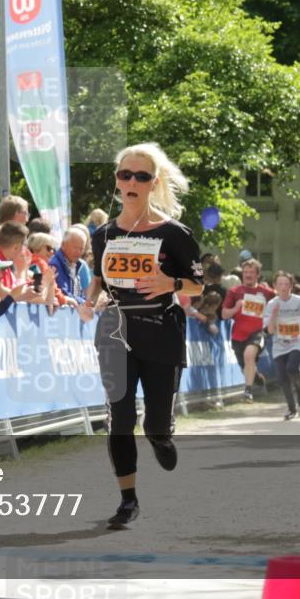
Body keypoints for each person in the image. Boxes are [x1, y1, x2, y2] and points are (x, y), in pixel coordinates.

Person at [77, 142, 204, 530]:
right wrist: (89, 302)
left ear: (154, 183)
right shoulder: (103, 234)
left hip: (160, 330)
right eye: (124, 174)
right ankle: (127, 499)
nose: (130, 182)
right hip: (115, 330)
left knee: (154, 423)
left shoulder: (175, 233)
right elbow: (97, 281)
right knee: (119, 415)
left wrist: (172, 281)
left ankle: (161, 436)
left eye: (140, 176)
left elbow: (198, 286)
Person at [221, 258, 275, 402]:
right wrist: (236, 307)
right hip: (238, 335)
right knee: (246, 364)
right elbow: (224, 314)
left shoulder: (267, 293)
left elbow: (279, 306)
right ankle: (257, 378)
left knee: (249, 355)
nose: (248, 275)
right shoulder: (234, 291)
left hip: (258, 331)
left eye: (251, 272)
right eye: (245, 272)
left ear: (257, 274)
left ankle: (248, 391)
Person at [264, 270, 300, 420]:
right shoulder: (272, 304)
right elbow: (270, 331)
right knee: (282, 377)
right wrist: (274, 315)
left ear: (291, 286)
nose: (283, 287)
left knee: (291, 367)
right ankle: (292, 409)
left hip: (298, 342)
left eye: (286, 284)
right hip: (279, 345)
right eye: (280, 284)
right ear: (275, 286)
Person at [50, 226, 90, 304]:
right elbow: (64, 293)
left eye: (81, 249)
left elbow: (77, 294)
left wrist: (90, 303)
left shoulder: (76, 264)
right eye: (75, 248)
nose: (78, 252)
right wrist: (85, 303)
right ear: (63, 245)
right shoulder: (55, 265)